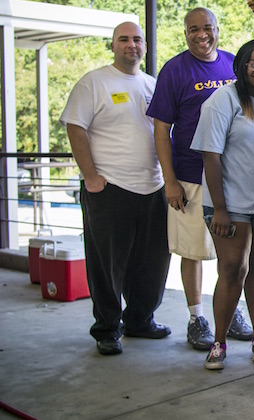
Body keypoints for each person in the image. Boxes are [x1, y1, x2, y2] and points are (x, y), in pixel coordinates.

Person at [60, 21, 171, 356]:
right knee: (107, 265)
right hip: (109, 188)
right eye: (123, 39)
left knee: (152, 262)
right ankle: (107, 329)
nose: (131, 45)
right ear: (112, 46)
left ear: (145, 46)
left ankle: (139, 320)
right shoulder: (93, 83)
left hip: (152, 188)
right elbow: (75, 128)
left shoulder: (152, 85)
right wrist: (90, 175)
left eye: (137, 39)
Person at [146, 7, 253, 351]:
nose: (201, 34)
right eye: (194, 29)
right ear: (185, 32)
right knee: (192, 251)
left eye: (207, 27)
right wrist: (170, 180)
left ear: (218, 29)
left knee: (233, 251)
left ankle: (232, 310)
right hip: (190, 176)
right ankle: (196, 318)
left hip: (232, 178)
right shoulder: (174, 70)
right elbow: (161, 130)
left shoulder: (233, 64)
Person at [191, 39, 254, 370]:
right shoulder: (223, 100)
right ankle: (219, 342)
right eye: (253, 63)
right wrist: (219, 208)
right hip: (228, 203)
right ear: (242, 67)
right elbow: (211, 155)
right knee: (233, 268)